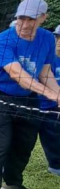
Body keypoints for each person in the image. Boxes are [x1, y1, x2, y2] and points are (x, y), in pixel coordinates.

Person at [0, 0, 60, 189]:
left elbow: (45, 73)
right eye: (21, 18)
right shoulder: (2, 40)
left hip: (28, 97)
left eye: (31, 19)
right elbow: (18, 75)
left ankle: (13, 183)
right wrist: (50, 94)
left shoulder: (47, 39)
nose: (24, 24)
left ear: (43, 18)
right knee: (0, 144)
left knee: (25, 142)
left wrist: (58, 95)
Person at [38, 26, 60, 175]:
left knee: (54, 137)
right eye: (58, 37)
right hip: (37, 105)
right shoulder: (46, 57)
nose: (59, 41)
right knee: (21, 139)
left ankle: (55, 166)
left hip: (55, 107)